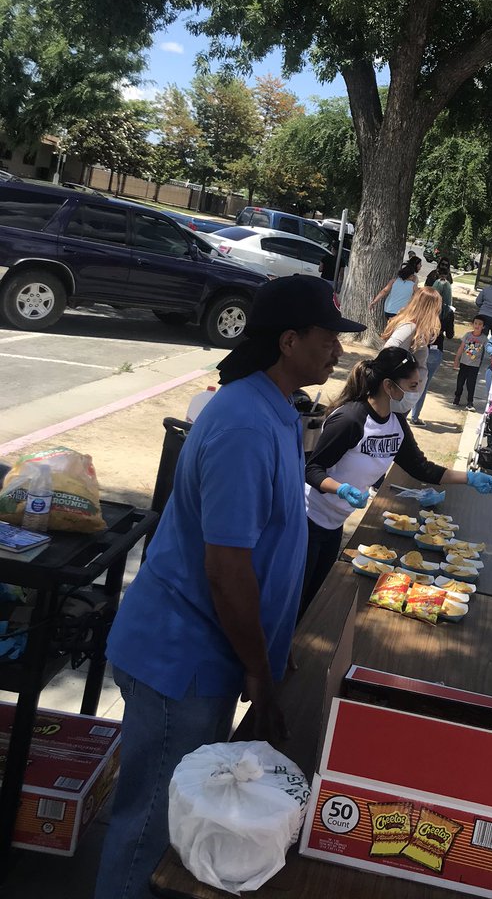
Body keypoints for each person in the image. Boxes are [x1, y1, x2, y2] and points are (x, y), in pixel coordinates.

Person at [93, 276, 366, 899]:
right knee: (154, 825)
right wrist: (258, 671)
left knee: (175, 817)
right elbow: (227, 568)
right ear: (289, 341)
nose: (338, 350)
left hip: (210, 653)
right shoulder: (243, 423)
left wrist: (272, 645)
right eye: (327, 337)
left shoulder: (276, 409)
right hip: (180, 658)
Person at [300, 346, 492, 610]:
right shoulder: (350, 420)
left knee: (314, 597)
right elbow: (312, 469)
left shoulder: (395, 424)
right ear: (388, 386)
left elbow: (421, 468)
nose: (417, 392)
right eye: (413, 385)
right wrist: (341, 489)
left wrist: (470, 478)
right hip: (308, 520)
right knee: (297, 598)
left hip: (334, 523)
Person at [383, 287, 443, 426]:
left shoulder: (416, 327)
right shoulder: (410, 327)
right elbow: (388, 351)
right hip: (401, 394)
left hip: (406, 392)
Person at [453, 315, 487, 409]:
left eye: (480, 324)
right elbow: (461, 348)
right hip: (464, 363)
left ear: (483, 326)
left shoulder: (484, 339)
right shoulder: (467, 335)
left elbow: (489, 349)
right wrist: (456, 360)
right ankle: (457, 397)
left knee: (471, 384)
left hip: (474, 366)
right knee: (460, 382)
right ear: (472, 324)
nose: (477, 326)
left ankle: (470, 402)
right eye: (475, 323)